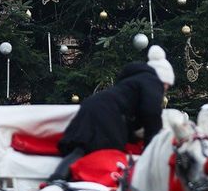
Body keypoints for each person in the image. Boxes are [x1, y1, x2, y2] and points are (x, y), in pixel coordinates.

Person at [51, 44, 175, 181]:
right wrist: (152, 143)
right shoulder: (153, 81)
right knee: (108, 155)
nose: (164, 90)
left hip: (93, 106)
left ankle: (57, 179)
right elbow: (151, 112)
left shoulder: (133, 80)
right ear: (163, 79)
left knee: (81, 148)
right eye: (166, 86)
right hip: (109, 114)